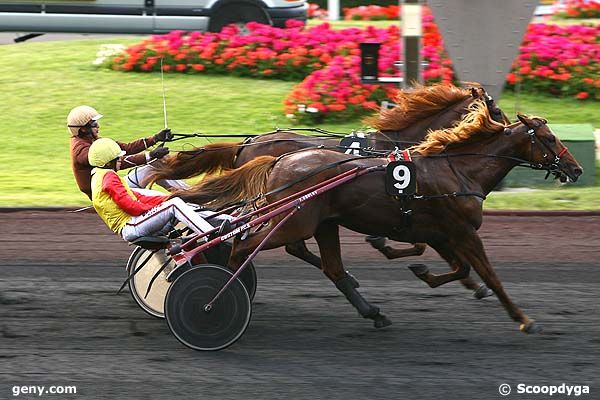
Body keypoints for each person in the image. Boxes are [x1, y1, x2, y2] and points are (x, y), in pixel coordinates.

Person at [87, 137, 217, 242]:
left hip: (134, 224)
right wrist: (156, 209)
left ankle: (226, 220)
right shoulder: (109, 177)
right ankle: (210, 235)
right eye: (118, 158)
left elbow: (137, 196)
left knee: (175, 202)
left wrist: (166, 199)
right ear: (108, 162)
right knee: (174, 205)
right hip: (131, 225)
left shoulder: (99, 176)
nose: (121, 160)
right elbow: (131, 206)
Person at [67, 105, 188, 200]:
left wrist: (155, 138)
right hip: (106, 193)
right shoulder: (81, 150)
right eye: (94, 124)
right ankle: (190, 195)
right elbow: (117, 162)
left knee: (156, 165)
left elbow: (127, 148)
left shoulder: (94, 140)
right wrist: (150, 155)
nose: (98, 126)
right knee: (154, 168)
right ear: (83, 128)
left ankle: (188, 194)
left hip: (113, 185)